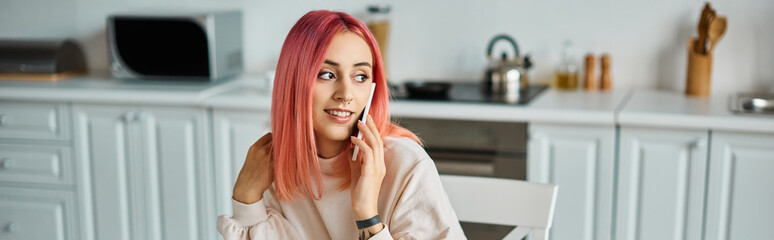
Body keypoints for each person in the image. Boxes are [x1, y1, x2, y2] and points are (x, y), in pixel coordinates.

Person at [217, 10, 466, 240]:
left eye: (360, 76)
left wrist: (367, 215)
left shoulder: (407, 166)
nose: (346, 94)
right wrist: (246, 199)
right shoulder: (273, 167)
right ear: (293, 81)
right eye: (327, 74)